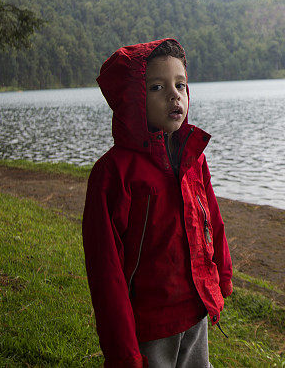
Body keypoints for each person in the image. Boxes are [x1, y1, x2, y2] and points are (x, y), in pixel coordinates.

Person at [82, 38, 232, 368]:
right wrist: (123, 349)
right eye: (157, 87)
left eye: (180, 85)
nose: (174, 95)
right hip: (150, 325)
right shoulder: (113, 174)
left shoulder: (193, 157)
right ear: (132, 98)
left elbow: (211, 220)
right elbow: (106, 272)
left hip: (195, 309)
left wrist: (221, 273)